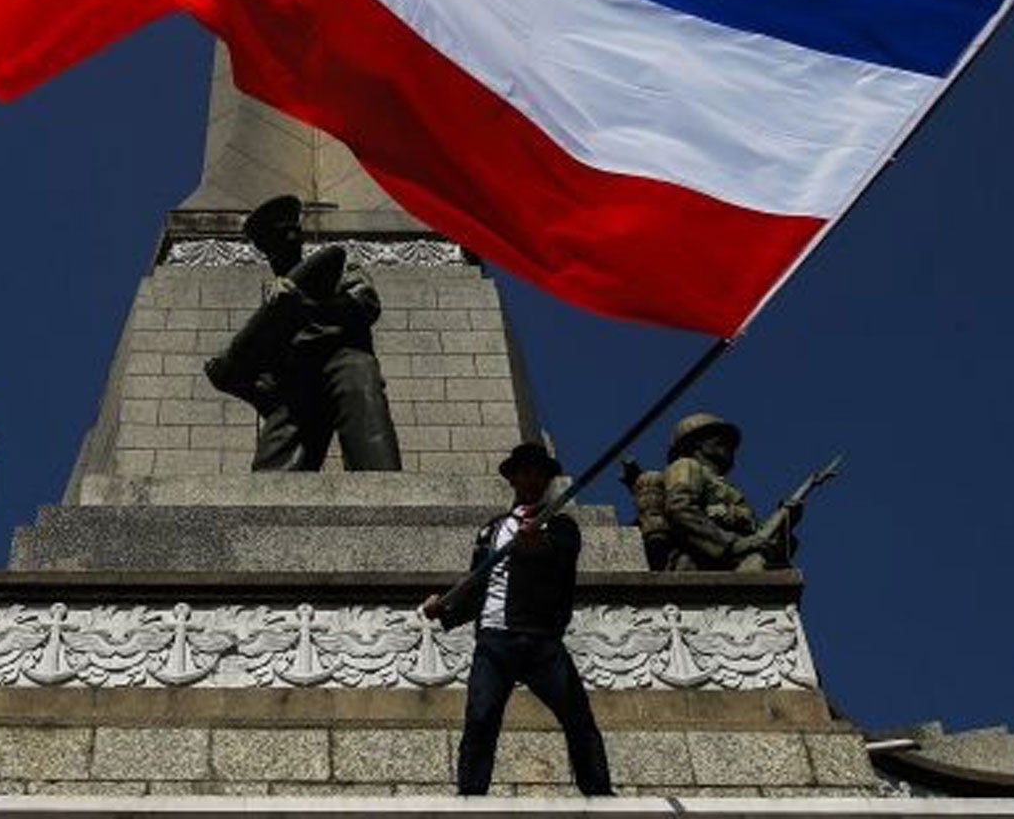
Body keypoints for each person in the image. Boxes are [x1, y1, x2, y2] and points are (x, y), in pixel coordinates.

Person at [422, 441, 613, 797]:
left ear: (546, 479)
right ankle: (471, 794)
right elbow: (478, 586)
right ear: (513, 478)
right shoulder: (491, 530)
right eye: (525, 471)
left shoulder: (560, 526)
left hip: (541, 638)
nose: (532, 478)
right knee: (480, 719)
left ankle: (600, 792)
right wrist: (443, 610)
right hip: (495, 639)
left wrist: (537, 543)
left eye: (539, 472)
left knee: (578, 719)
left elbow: (563, 557)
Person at [202, 193, 403, 471]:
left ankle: (385, 492)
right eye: (279, 236)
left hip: (343, 357)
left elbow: (365, 304)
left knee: (360, 388)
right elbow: (257, 362)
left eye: (293, 231)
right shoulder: (271, 299)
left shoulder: (336, 266)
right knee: (273, 467)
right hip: (296, 378)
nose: (291, 238)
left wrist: (306, 307)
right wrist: (234, 377)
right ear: (265, 247)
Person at [619, 411, 794, 572]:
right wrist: (731, 545)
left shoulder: (724, 486)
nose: (727, 445)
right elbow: (680, 509)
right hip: (696, 564)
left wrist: (785, 521)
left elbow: (756, 537)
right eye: (718, 437)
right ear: (696, 442)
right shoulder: (687, 466)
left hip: (727, 563)